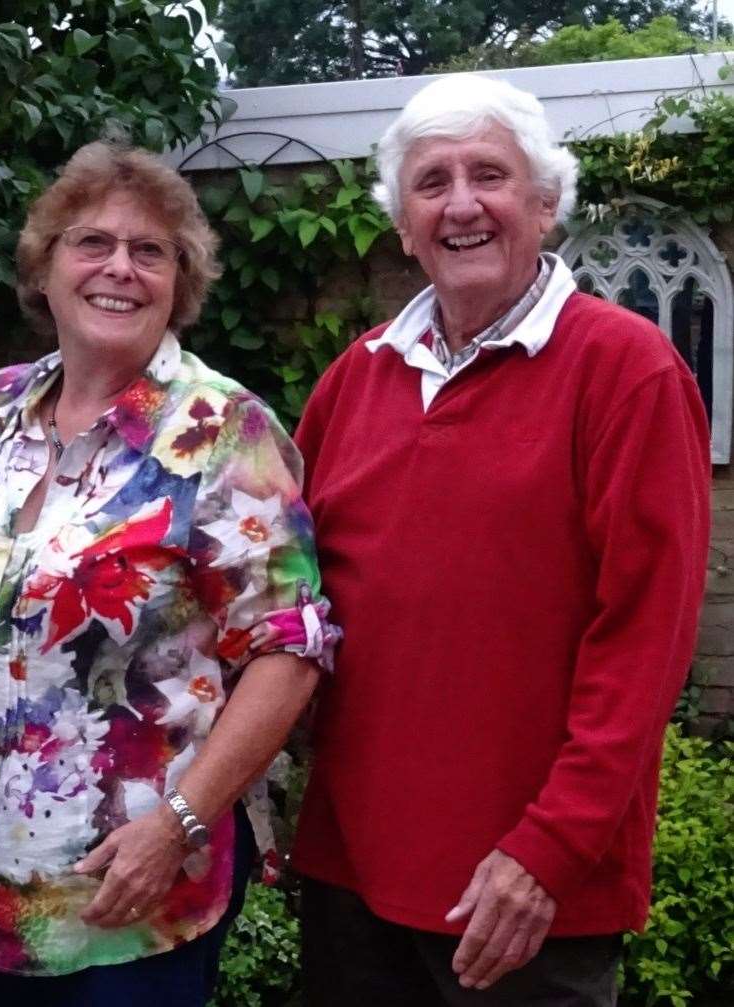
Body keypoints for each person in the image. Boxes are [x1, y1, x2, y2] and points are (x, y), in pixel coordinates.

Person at [291, 74, 710, 1005]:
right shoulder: (354, 380)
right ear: (401, 223)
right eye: (431, 182)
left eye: (491, 174)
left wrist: (550, 848)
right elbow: (292, 605)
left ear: (546, 203)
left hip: (522, 895)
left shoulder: (627, 372)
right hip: (351, 873)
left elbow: (645, 636)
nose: (463, 203)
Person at [0, 139, 337, 1006]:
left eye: (151, 252)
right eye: (92, 243)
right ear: (46, 267)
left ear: (181, 281)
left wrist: (178, 822)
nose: (120, 268)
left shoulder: (223, 431)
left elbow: (291, 649)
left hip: (129, 889)